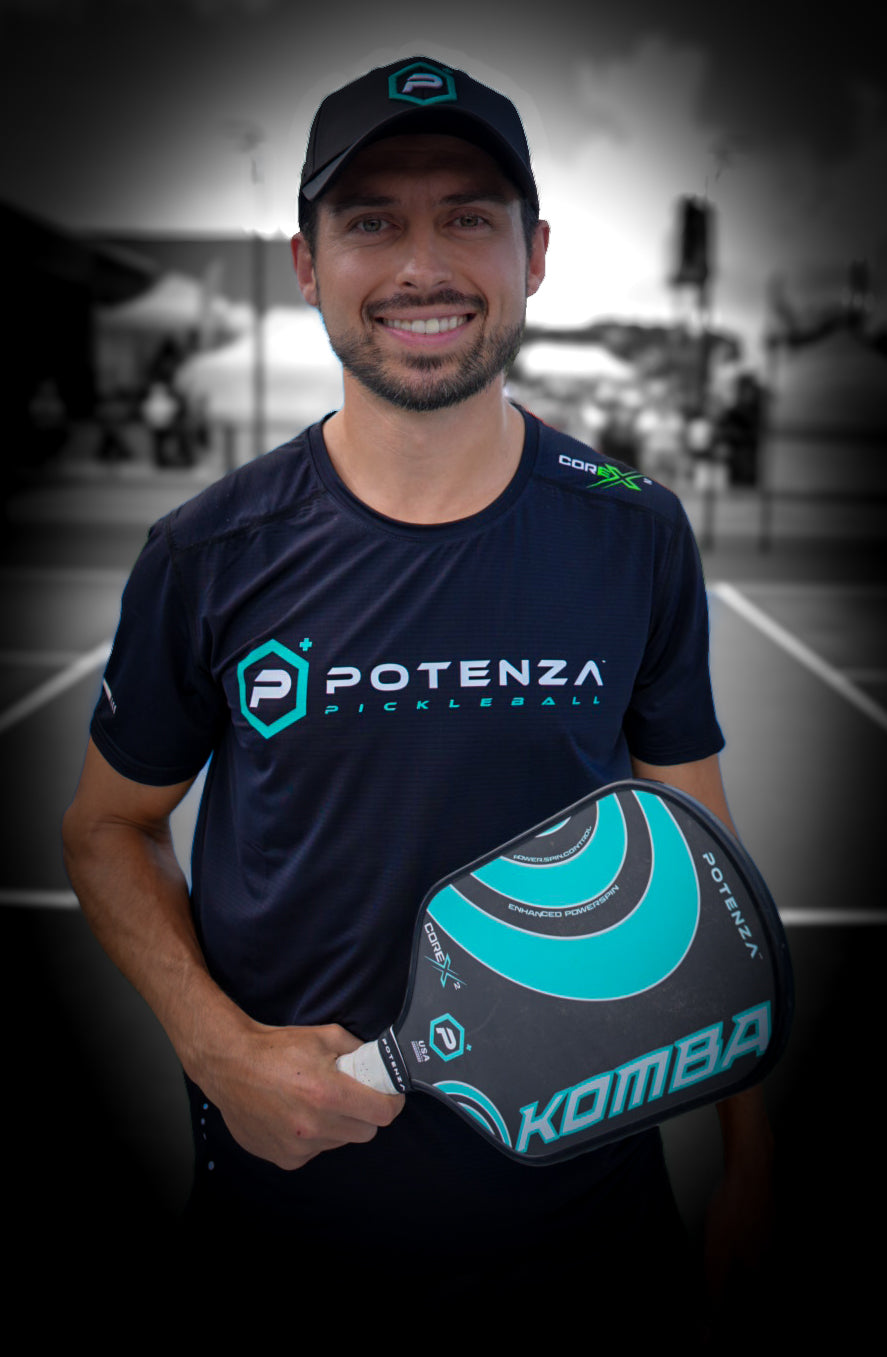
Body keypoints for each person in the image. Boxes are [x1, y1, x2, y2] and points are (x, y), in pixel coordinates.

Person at [63, 56, 774, 1340]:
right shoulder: (206, 553)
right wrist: (213, 1046)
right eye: (371, 220)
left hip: (588, 1231)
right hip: (283, 1233)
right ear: (304, 262)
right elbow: (105, 826)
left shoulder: (634, 535)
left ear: (535, 252)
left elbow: (701, 873)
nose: (421, 265)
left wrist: (754, 1163)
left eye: (468, 216)